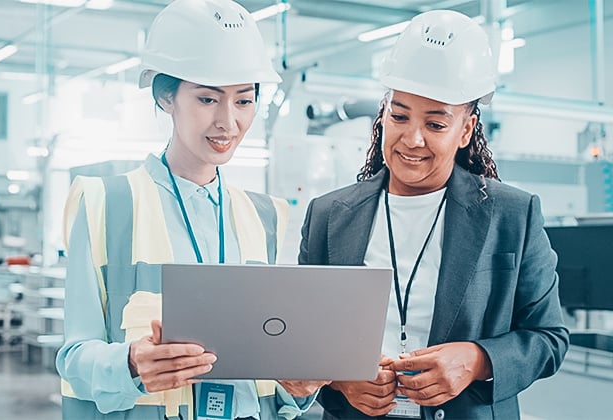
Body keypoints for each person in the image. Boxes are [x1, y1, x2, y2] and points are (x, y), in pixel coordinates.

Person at [56, 1, 325, 418]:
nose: (228, 123)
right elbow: (74, 358)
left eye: (243, 101)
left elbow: (268, 369)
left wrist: (297, 389)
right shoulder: (105, 203)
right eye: (207, 99)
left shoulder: (265, 216)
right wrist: (129, 364)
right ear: (166, 96)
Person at [298, 10, 569, 420]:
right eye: (399, 116)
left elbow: (549, 337)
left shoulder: (512, 215)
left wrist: (477, 359)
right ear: (383, 114)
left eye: (436, 123)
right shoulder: (329, 215)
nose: (413, 139)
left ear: (465, 129)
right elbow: (302, 334)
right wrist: (339, 377)